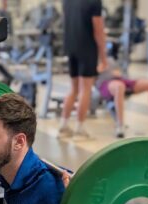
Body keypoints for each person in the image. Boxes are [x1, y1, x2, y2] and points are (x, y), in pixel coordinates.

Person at [58, 0, 108, 140]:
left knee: (74, 89)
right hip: (87, 48)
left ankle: (63, 127)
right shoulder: (94, 1)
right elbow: (98, 30)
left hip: (71, 48)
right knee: (85, 89)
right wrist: (104, 57)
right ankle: (79, 130)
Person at [95, 58, 148, 138]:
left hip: (122, 80)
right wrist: (98, 70)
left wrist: (118, 73)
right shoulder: (92, 58)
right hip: (105, 84)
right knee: (119, 86)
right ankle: (120, 125)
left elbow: (119, 71)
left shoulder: (110, 59)